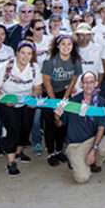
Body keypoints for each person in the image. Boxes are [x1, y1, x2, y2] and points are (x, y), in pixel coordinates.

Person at [0, 42, 41, 175]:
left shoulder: (34, 68)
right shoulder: (5, 67)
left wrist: (34, 98)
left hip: (26, 102)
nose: (25, 56)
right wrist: (5, 99)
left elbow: (37, 87)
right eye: (22, 53)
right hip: (7, 102)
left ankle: (18, 152)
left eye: (29, 53)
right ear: (17, 53)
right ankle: (11, 162)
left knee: (25, 128)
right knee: (13, 129)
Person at [57, 71, 105, 184]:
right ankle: (74, 159)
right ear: (81, 85)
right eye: (85, 82)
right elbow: (60, 124)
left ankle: (95, 163)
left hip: (92, 140)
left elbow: (101, 128)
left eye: (91, 82)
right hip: (75, 144)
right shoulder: (73, 102)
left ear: (96, 83)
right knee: (82, 178)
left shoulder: (101, 101)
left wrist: (93, 151)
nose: (88, 85)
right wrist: (56, 116)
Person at [41, 34, 82, 167]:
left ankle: (59, 150)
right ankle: (51, 152)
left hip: (65, 94)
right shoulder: (50, 60)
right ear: (58, 46)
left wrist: (64, 101)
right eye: (63, 44)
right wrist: (55, 106)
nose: (66, 47)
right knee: (50, 125)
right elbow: (47, 83)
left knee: (62, 124)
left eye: (69, 44)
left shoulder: (76, 60)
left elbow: (72, 83)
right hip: (49, 95)